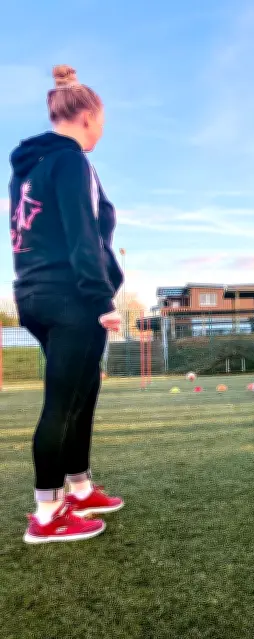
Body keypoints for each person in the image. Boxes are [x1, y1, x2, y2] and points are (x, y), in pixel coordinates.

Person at [9, 65, 124, 544]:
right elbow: (82, 233)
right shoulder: (72, 160)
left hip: (32, 293)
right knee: (63, 402)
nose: (102, 130)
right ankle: (47, 513)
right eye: (102, 121)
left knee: (81, 395)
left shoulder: (30, 166)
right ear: (89, 116)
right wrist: (101, 298)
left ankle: (77, 487)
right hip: (71, 296)